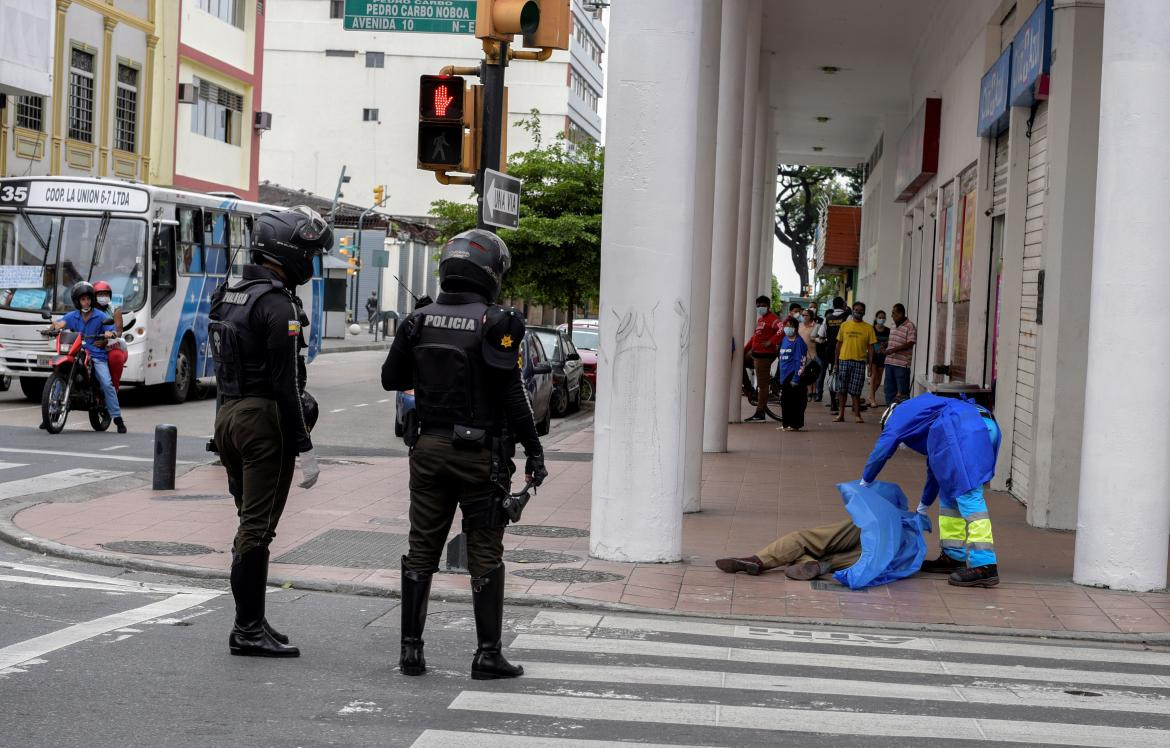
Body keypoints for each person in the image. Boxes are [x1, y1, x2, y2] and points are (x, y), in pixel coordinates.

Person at [381, 228, 547, 680]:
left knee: (421, 550)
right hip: (481, 456)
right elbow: (513, 395)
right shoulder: (498, 322)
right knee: (485, 554)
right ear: (490, 272)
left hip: (429, 450)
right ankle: (487, 654)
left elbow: (390, 378)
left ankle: (411, 652)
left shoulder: (417, 321)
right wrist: (534, 451)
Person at [208, 206, 330, 658]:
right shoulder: (278, 304)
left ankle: (254, 619)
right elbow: (286, 384)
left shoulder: (232, 291)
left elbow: (223, 365)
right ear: (290, 251)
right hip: (263, 423)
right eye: (309, 254)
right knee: (256, 529)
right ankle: (246, 629)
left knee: (249, 523)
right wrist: (305, 446)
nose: (310, 264)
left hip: (229, 415)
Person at [862, 395, 1003, 587]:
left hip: (965, 430)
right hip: (981, 424)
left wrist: (865, 481)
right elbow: (935, 470)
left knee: (969, 494)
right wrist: (923, 505)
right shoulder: (925, 414)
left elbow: (884, 447)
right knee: (950, 492)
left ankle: (985, 565)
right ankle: (954, 555)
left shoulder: (899, 415)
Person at [48, 282, 126, 434]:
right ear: (78, 301)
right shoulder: (73, 316)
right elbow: (61, 323)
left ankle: (117, 418)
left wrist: (110, 333)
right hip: (76, 352)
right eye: (83, 299)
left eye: (88, 299)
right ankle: (50, 413)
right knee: (60, 373)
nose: (86, 302)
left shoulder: (101, 315)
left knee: (106, 382)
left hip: (96, 354)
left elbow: (112, 329)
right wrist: (52, 327)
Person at [716, 520, 861, 580]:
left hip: (874, 534)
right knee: (827, 555)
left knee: (805, 540)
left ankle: (757, 561)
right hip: (872, 551)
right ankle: (812, 565)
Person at [834, 301, 876, 423]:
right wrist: (836, 362)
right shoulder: (844, 325)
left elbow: (871, 348)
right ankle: (841, 415)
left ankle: (857, 415)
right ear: (852, 310)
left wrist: (869, 364)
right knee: (842, 390)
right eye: (856, 310)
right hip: (844, 361)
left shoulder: (868, 328)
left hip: (860, 362)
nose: (858, 312)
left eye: (861, 310)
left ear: (864, 312)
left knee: (856, 391)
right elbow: (838, 344)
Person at [744, 295, 782, 422]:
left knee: (762, 385)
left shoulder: (773, 319)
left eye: (762, 305)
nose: (760, 308)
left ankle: (760, 412)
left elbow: (782, 330)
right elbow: (754, 338)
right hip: (755, 354)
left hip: (764, 356)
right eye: (758, 306)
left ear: (768, 306)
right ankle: (749, 390)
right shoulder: (761, 320)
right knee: (740, 362)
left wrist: (771, 341)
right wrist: (743, 351)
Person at [817, 297, 850, 410]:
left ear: (833, 306)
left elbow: (821, 335)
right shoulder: (848, 317)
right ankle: (840, 403)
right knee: (844, 377)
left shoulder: (828, 318)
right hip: (845, 351)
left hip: (831, 352)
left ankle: (833, 403)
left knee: (833, 375)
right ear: (843, 305)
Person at [92, 281, 126, 390]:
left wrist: (110, 337)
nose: (103, 297)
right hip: (90, 343)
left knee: (116, 357)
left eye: (106, 294)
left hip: (111, 345)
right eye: (100, 294)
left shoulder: (114, 310)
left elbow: (119, 331)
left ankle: (114, 389)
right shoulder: (88, 310)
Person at [882, 303, 917, 404]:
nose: (892, 315)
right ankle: (890, 413)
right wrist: (886, 344)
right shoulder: (893, 325)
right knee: (889, 390)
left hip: (901, 365)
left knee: (902, 392)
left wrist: (893, 350)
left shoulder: (910, 325)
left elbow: (910, 343)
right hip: (889, 363)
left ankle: (902, 415)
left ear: (901, 313)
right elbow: (893, 339)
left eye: (894, 313)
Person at [777, 320, 807, 431]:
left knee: (794, 402)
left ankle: (794, 425)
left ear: (796, 328)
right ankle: (786, 424)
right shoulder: (784, 339)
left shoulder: (798, 342)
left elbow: (800, 360)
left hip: (793, 374)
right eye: (787, 326)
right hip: (784, 374)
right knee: (785, 401)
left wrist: (796, 378)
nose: (788, 328)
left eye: (791, 326)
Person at [869, 310, 890, 407]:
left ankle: (871, 395)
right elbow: (868, 343)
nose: (881, 319)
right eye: (880, 317)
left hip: (883, 356)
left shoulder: (888, 330)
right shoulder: (871, 329)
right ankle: (873, 399)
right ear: (876, 318)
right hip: (873, 355)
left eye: (883, 317)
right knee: (874, 375)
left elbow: (889, 342)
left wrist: (884, 346)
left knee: (879, 379)